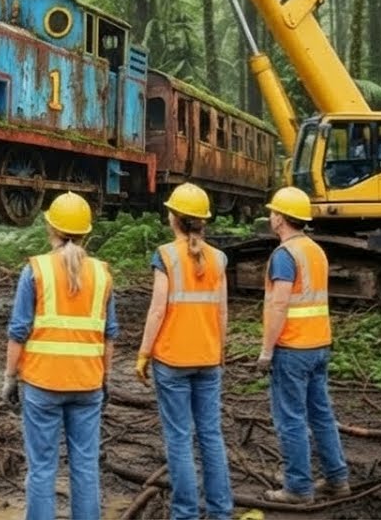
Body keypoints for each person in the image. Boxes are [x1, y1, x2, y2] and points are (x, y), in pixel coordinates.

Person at [2, 192, 119, 520]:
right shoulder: (102, 275)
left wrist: (9, 379)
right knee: (85, 467)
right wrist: (105, 378)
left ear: (49, 228)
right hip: (87, 385)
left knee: (41, 470)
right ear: (87, 233)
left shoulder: (35, 271)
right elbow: (109, 334)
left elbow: (18, 331)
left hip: (42, 385)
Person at [134, 184, 233, 520]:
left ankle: (185, 514)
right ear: (202, 222)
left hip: (172, 360)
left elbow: (157, 310)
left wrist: (143, 353)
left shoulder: (165, 255)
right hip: (208, 359)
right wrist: (220, 351)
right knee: (211, 436)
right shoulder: (219, 259)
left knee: (179, 439)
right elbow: (222, 312)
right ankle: (221, 513)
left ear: (173, 217)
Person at [257, 187, 351, 504]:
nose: (271, 216)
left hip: (293, 348)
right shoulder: (315, 250)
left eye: (273, 212)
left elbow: (279, 305)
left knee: (291, 418)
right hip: (319, 345)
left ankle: (298, 487)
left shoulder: (285, 256)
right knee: (321, 415)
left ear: (281, 218)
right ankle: (337, 478)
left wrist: (267, 351)